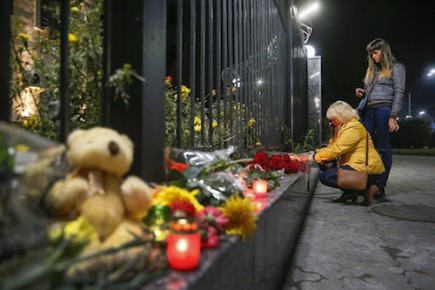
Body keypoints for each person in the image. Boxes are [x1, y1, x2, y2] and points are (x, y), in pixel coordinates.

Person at [292, 101, 385, 206]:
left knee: (326, 177)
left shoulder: (353, 128)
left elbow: (335, 150)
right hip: (355, 164)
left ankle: (369, 187)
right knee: (324, 164)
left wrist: (309, 157)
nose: (331, 123)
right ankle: (350, 193)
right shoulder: (345, 127)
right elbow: (331, 147)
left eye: (332, 119)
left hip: (363, 165)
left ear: (340, 116)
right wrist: (315, 154)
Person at [355, 38, 406, 199]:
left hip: (384, 110)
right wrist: (364, 92)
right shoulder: (372, 70)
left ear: (384, 51)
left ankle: (379, 186)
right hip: (368, 110)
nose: (373, 57)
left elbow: (399, 92)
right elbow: (371, 90)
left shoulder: (396, 68)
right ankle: (365, 183)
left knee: (384, 148)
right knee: (364, 147)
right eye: (371, 54)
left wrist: (393, 116)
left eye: (375, 53)